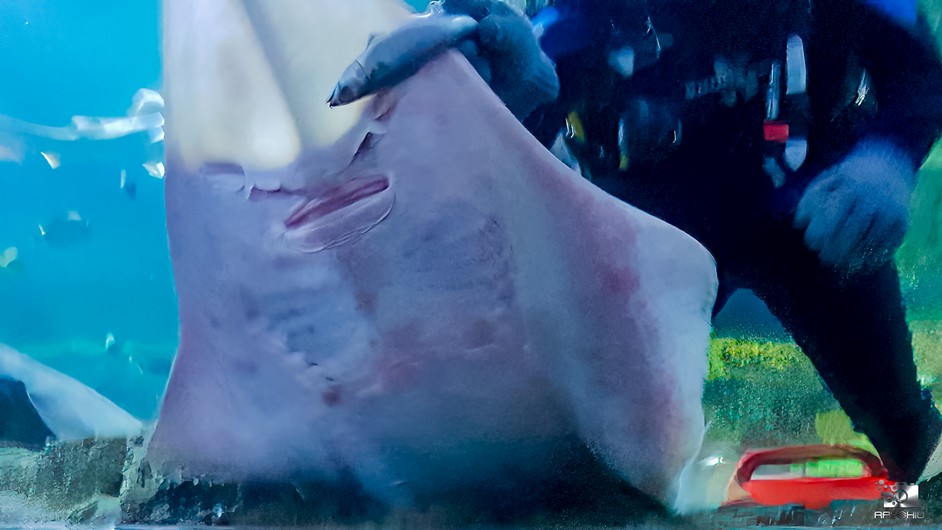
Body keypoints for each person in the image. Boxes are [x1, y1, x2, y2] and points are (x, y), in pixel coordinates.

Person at [359, 0, 942, 485]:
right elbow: (534, 111)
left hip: (819, 205)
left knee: (899, 419)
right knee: (596, 446)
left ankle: (918, 451)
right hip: (646, 229)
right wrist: (502, 94)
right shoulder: (579, 16)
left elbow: (916, 67)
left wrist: (889, 156)